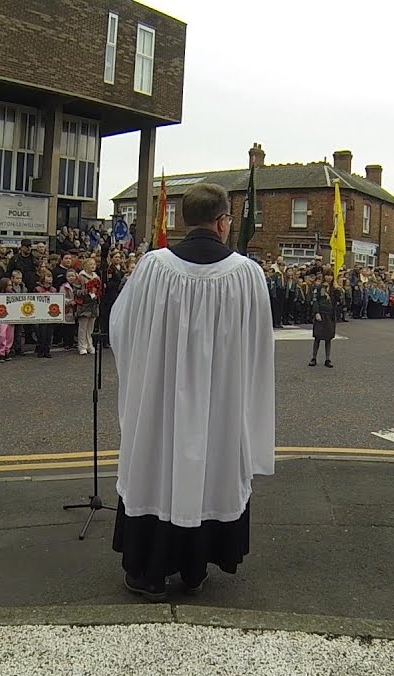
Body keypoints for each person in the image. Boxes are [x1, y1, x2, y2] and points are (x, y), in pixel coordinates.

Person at [109, 182, 275, 601]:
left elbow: (122, 327)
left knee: (158, 465)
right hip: (219, 401)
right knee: (210, 467)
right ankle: (195, 570)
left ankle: (149, 573)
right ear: (222, 222)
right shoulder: (247, 274)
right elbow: (258, 345)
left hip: (161, 401)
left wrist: (149, 372)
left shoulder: (152, 267)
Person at [308, 276, 336, 368]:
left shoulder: (333, 288)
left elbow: (338, 300)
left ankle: (327, 359)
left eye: (331, 275)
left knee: (328, 337)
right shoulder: (319, 287)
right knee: (318, 336)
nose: (329, 277)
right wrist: (316, 312)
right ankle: (314, 358)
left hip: (330, 314)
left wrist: (338, 289)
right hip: (321, 313)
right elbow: (315, 300)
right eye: (327, 275)